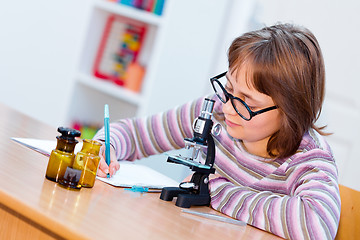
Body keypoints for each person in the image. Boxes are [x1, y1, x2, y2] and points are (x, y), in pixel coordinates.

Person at [93, 23, 340, 239]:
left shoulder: (310, 159)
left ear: (291, 110)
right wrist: (106, 146)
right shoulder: (214, 111)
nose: (228, 107)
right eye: (229, 89)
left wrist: (215, 191)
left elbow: (315, 227)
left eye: (248, 103)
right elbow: (136, 133)